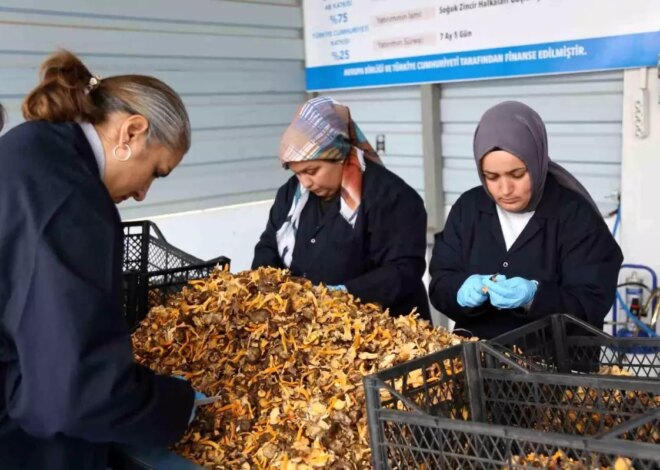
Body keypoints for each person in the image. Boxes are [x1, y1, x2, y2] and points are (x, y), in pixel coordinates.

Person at [0, 50, 203, 469]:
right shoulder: (73, 202)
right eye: (157, 171)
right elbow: (74, 391)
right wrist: (173, 406)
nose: (145, 192)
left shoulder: (30, 146)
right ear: (131, 132)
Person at [429, 101, 623, 339]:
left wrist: (535, 297)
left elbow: (592, 302)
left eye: (517, 174)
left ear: (537, 162)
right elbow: (440, 283)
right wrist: (459, 290)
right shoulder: (468, 209)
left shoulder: (576, 217)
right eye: (491, 177)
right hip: (475, 362)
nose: (505, 188)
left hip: (552, 368)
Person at [252, 96, 430, 319]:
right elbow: (269, 245)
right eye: (297, 173)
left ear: (339, 156)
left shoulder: (391, 197)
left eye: (312, 171)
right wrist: (264, 287)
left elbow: (403, 270)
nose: (305, 182)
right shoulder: (291, 195)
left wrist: (345, 294)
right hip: (311, 326)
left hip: (382, 327)